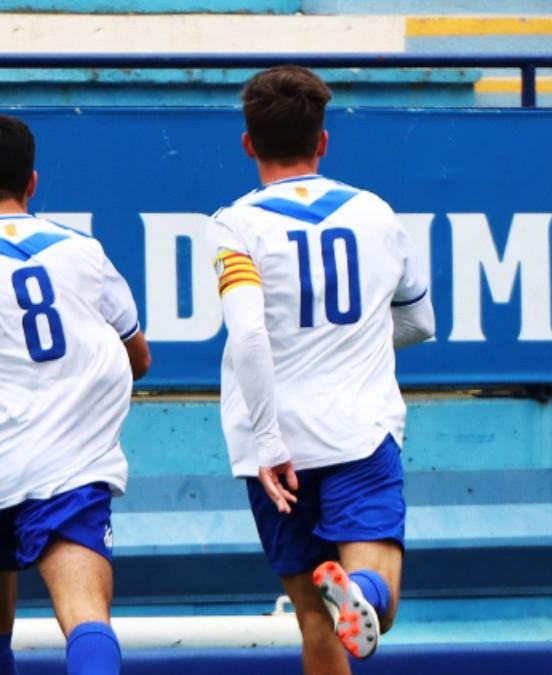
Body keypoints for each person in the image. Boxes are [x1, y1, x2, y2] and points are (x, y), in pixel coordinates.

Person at [206, 65, 434, 674]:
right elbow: (419, 323)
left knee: (313, 620)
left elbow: (249, 330)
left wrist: (271, 441)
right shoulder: (376, 214)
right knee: (372, 603)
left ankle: (351, 598)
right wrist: (354, 341)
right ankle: (365, 595)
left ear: (249, 143)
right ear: (323, 141)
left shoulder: (235, 225)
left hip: (274, 451)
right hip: (358, 430)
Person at [0, 113, 151, 675]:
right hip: (67, 470)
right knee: (86, 617)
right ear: (32, 182)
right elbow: (138, 355)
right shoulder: (81, 250)